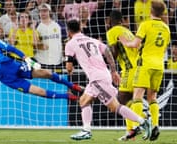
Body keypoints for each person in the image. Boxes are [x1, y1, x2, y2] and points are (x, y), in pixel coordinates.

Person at [0, 22, 84, 101]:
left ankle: (73, 86)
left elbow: (11, 48)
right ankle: (67, 96)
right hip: (5, 77)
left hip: (12, 65)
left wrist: (26, 59)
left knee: (45, 73)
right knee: (38, 92)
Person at [65, 19, 151, 141]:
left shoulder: (70, 44)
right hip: (102, 75)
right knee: (84, 101)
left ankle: (142, 122)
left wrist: (70, 68)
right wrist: (113, 70)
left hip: (97, 78)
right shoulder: (93, 40)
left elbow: (69, 67)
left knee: (114, 106)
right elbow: (107, 51)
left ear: (68, 31)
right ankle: (86, 130)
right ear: (80, 28)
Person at [119, 0, 171, 141]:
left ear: (150, 11)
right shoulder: (166, 28)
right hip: (159, 65)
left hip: (145, 64)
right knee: (152, 97)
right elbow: (165, 48)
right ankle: (155, 125)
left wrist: (125, 42)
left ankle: (136, 126)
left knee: (137, 96)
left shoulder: (145, 24)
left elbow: (135, 44)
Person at [107, 10, 142, 141]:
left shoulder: (112, 32)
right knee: (129, 100)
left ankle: (141, 121)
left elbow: (114, 52)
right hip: (139, 68)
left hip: (129, 69)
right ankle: (131, 131)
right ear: (122, 20)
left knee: (122, 100)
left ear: (109, 21)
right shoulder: (127, 31)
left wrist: (106, 55)